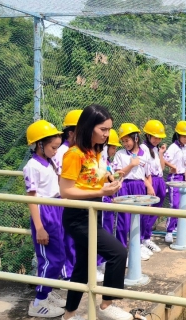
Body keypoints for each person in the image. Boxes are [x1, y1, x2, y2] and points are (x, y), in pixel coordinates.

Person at [59, 104, 132, 320]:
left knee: (83, 267)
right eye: (103, 129)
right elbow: (65, 190)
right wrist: (102, 190)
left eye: (109, 129)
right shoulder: (74, 154)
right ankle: (106, 306)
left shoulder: (94, 152)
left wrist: (110, 180)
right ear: (89, 127)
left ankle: (69, 316)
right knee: (118, 253)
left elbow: (91, 179)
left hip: (93, 212)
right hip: (78, 216)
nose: (107, 134)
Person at [24, 120, 66, 318]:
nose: (56, 151)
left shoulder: (50, 161)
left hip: (57, 208)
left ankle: (47, 292)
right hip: (45, 213)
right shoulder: (32, 166)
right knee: (50, 258)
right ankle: (38, 302)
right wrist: (39, 227)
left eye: (57, 147)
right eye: (53, 147)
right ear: (40, 144)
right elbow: (31, 199)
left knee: (60, 255)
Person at [112, 123, 152, 261]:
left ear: (135, 138)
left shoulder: (145, 153)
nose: (125, 143)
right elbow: (117, 175)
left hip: (139, 186)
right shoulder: (120, 154)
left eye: (127, 140)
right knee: (124, 221)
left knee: (141, 217)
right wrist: (131, 165)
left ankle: (138, 246)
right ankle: (122, 249)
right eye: (123, 141)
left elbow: (147, 175)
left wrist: (149, 189)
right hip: (125, 186)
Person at [53, 109, 82, 281]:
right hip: (64, 201)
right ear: (71, 133)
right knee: (66, 238)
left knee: (74, 238)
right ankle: (67, 273)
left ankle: (72, 270)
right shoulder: (62, 152)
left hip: (74, 200)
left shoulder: (75, 150)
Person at [97, 129, 122, 281]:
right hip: (100, 200)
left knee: (107, 231)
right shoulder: (100, 161)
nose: (115, 150)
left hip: (107, 199)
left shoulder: (106, 162)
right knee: (101, 232)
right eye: (113, 147)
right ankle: (98, 263)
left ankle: (102, 261)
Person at [139, 120, 167, 253]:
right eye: (155, 137)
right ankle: (141, 240)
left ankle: (147, 237)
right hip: (151, 181)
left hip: (159, 179)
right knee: (146, 211)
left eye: (159, 137)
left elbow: (162, 167)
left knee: (156, 210)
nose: (157, 139)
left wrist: (161, 153)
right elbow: (142, 171)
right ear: (148, 135)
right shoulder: (143, 149)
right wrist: (149, 186)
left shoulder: (156, 149)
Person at [163, 120, 186, 243]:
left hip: (182, 177)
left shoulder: (185, 147)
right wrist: (173, 167)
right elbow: (164, 160)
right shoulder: (173, 147)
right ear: (178, 135)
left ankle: (177, 227)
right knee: (174, 205)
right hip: (174, 178)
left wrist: (184, 169)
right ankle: (169, 232)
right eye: (184, 136)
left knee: (181, 204)